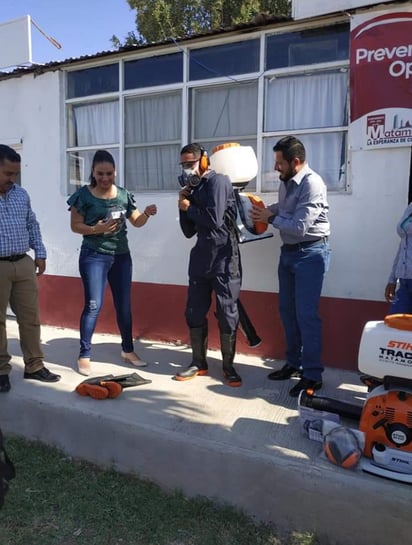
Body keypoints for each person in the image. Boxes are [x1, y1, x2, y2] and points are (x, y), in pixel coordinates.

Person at [251, 136, 330, 397]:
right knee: (287, 312)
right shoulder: (287, 183)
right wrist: (260, 208)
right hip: (288, 254)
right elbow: (283, 208)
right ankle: (293, 363)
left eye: (280, 163)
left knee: (306, 315)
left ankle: (312, 376)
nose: (276, 168)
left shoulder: (312, 184)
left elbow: (299, 226)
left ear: (296, 162)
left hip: (310, 254)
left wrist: (270, 217)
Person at [67, 149, 157, 376]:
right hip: (94, 255)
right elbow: (75, 225)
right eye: (100, 174)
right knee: (93, 305)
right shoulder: (83, 196)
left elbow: (136, 222)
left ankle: (128, 350)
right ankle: (84, 354)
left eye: (109, 173)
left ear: (115, 172)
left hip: (121, 257)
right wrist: (95, 229)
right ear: (93, 173)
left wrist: (146, 214)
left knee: (124, 306)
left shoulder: (123, 195)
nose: (105, 178)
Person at [176, 143, 242, 386]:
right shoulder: (192, 188)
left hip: (225, 257)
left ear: (203, 161)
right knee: (193, 310)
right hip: (201, 256)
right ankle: (198, 362)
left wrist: (189, 207)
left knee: (226, 313)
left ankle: (228, 366)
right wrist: (183, 206)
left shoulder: (219, 182)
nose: (187, 169)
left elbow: (214, 220)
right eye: (183, 164)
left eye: (190, 163)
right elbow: (187, 231)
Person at [0, 145, 61, 393]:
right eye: (7, 173)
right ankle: (2, 370)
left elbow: (32, 224)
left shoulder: (21, 194)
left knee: (30, 317)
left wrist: (40, 252)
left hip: (23, 264)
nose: (12, 179)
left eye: (15, 174)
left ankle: (34, 366)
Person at [384, 203, 412, 313]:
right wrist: (392, 280)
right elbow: (402, 247)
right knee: (394, 324)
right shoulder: (410, 207)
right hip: (404, 281)